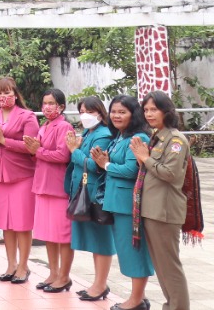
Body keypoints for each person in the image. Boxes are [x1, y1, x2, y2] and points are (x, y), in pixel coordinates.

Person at [94, 96, 153, 309]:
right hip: (117, 203)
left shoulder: (138, 138)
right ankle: (139, 297)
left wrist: (106, 164)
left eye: (122, 112)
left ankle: (136, 300)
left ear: (133, 114)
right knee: (127, 250)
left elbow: (131, 170)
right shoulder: (120, 136)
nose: (116, 116)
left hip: (129, 205)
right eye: (114, 111)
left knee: (134, 251)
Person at [135, 91, 191, 310]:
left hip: (164, 211)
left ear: (166, 111)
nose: (149, 114)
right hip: (152, 210)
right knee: (161, 267)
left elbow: (170, 173)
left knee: (170, 267)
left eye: (154, 109)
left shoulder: (175, 140)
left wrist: (145, 158)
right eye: (146, 110)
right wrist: (143, 159)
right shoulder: (157, 136)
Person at [0, 76, 39, 284]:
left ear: (15, 94)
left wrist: (5, 141)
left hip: (22, 174)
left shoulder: (27, 116)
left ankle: (23, 265)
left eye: (7, 92)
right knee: (5, 223)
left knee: (22, 223)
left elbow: (31, 146)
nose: (3, 96)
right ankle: (11, 264)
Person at [69, 96, 115, 300]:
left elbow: (94, 165)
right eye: (81, 112)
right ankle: (98, 283)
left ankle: (101, 284)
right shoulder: (89, 132)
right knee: (96, 240)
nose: (85, 116)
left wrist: (74, 151)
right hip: (86, 191)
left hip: (97, 194)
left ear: (100, 113)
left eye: (89, 111)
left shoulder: (103, 135)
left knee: (102, 239)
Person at [27, 88, 73, 291]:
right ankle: (53, 273)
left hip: (57, 187)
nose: (47, 107)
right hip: (42, 185)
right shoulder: (43, 126)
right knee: (48, 234)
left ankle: (64, 275)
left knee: (62, 235)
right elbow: (37, 155)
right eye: (45, 103)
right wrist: (33, 151)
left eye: (51, 103)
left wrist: (38, 151)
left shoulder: (64, 126)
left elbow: (62, 155)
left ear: (61, 106)